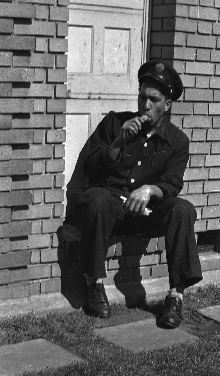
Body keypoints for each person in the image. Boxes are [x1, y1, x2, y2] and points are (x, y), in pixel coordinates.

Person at [77, 60, 203, 328]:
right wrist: (117, 143)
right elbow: (90, 168)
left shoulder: (178, 141)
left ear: (166, 104)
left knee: (183, 209)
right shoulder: (114, 123)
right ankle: (95, 284)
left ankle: (175, 296)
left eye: (154, 99)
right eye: (142, 96)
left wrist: (149, 190)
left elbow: (172, 184)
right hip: (111, 209)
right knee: (95, 198)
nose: (146, 105)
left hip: (146, 213)